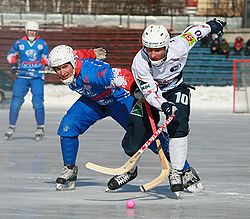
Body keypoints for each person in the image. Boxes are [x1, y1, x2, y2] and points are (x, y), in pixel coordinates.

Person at [117, 18, 226, 195]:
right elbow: (151, 93)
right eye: (149, 49)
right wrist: (164, 104)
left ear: (166, 46)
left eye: (158, 50)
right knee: (136, 132)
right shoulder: (139, 62)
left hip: (176, 87)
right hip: (151, 93)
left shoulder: (180, 45)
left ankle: (177, 171)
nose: (153, 54)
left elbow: (196, 32)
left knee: (179, 124)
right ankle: (129, 170)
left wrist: (214, 26)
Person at [48, 45, 141, 191]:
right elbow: (81, 52)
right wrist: (93, 53)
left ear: (72, 63)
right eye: (57, 69)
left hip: (118, 99)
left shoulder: (91, 73)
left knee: (145, 133)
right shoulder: (74, 55)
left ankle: (182, 169)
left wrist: (135, 89)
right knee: (68, 126)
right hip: (94, 100)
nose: (62, 73)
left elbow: (119, 74)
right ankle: (69, 169)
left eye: (65, 67)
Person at [5, 21, 49, 141]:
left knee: (38, 102)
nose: (32, 33)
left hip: (36, 77)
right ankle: (11, 126)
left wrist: (46, 65)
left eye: (34, 31)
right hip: (22, 76)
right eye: (30, 31)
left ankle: (40, 127)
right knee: (15, 102)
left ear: (37, 32)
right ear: (26, 31)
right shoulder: (20, 43)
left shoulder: (42, 44)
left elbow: (46, 58)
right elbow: (11, 55)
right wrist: (13, 65)